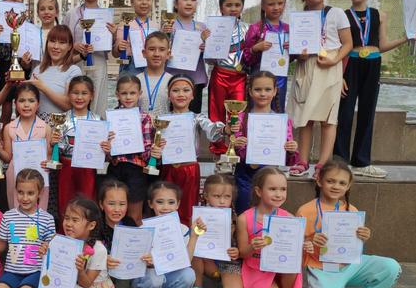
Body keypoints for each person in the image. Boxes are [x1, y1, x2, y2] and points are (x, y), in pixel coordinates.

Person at [297, 158, 401, 288]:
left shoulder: (352, 211)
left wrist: (363, 236)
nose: (336, 186)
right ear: (319, 180)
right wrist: (309, 241)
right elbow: (295, 246)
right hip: (322, 269)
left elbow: (353, 245)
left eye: (342, 183)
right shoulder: (305, 211)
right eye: (330, 181)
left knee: (391, 267)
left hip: (349, 265)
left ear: (348, 185)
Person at [334, 0, 416, 178]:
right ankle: (339, 161)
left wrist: (407, 38)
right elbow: (338, 47)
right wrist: (339, 76)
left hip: (372, 64)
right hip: (350, 64)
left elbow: (382, 45)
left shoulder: (380, 15)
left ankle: (361, 162)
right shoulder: (343, 16)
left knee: (367, 112)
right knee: (344, 113)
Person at [289, 0, 353, 179]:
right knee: (305, 117)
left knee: (328, 119)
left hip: (329, 65)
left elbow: (348, 44)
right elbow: (295, 50)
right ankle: (302, 160)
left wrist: (335, 61)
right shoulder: (300, 18)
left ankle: (323, 163)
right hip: (307, 65)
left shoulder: (336, 13)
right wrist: (299, 54)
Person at [236, 167, 302, 288]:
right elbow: (242, 253)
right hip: (256, 269)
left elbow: (293, 250)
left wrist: (304, 245)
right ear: (258, 191)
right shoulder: (245, 218)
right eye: (272, 189)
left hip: (280, 268)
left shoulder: (289, 218)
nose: (279, 194)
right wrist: (252, 246)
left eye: (283, 189)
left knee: (293, 264)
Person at [43, 198, 114, 288]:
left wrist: (80, 271)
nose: (68, 223)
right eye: (67, 218)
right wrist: (46, 253)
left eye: (75, 220)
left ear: (91, 225)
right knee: (46, 285)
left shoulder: (98, 250)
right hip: (73, 285)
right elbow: (53, 268)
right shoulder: (62, 241)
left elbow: (86, 284)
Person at [160, 75, 228, 225]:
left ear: (192, 95)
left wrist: (224, 129)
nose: (181, 94)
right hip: (168, 168)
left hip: (189, 169)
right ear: (169, 95)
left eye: (186, 90)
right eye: (175, 90)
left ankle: (187, 235)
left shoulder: (197, 118)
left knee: (188, 208)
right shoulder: (162, 120)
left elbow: (211, 129)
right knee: (165, 205)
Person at [231, 72, 299, 215]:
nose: (263, 94)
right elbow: (234, 152)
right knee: (245, 215)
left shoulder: (282, 121)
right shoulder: (240, 118)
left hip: (270, 176)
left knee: (267, 215)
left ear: (275, 91)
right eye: (258, 89)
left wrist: (291, 150)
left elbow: (288, 160)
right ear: (250, 91)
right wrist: (237, 145)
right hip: (245, 176)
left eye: (268, 89)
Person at [0, 169, 55, 288]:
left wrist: (48, 248)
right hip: (12, 271)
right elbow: (0, 245)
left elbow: (52, 248)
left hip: (35, 272)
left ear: (40, 193)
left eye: (30, 193)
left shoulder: (47, 219)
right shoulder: (8, 216)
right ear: (15, 191)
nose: (25, 198)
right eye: (20, 192)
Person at [134, 182, 200, 288]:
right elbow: (136, 265)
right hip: (147, 278)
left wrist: (194, 236)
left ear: (178, 204)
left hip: (168, 276)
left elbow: (186, 261)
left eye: (171, 202)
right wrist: (149, 262)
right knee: (156, 277)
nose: (166, 207)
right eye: (160, 202)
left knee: (189, 275)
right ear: (150, 204)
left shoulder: (183, 229)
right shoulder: (143, 230)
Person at [104, 75, 158, 225]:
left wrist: (152, 150)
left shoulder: (145, 118)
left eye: (132, 93)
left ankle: (134, 238)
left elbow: (147, 152)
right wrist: (107, 149)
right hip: (115, 168)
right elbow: (106, 154)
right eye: (124, 93)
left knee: (134, 215)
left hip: (136, 170)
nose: (128, 97)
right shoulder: (110, 117)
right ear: (117, 94)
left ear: (139, 94)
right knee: (113, 212)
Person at [185, 175, 244, 288]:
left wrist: (237, 251)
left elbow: (242, 247)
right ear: (206, 195)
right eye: (217, 196)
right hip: (205, 261)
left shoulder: (236, 219)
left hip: (226, 264)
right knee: (196, 253)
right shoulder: (197, 217)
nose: (222, 201)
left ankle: (223, 283)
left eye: (227, 197)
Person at [64, 0, 115, 116]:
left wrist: (113, 35)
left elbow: (111, 49)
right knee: (77, 98)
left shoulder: (106, 15)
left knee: (97, 100)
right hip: (78, 62)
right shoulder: (72, 14)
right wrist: (74, 45)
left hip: (98, 62)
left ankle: (96, 127)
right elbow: (64, 40)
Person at [207, 0, 249, 157]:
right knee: (216, 112)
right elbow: (209, 60)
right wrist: (205, 45)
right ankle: (217, 149)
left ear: (242, 7)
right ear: (221, 7)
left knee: (237, 114)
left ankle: (236, 149)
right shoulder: (213, 28)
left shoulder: (247, 28)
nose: (233, 8)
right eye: (229, 5)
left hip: (239, 77)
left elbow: (251, 54)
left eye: (237, 5)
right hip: (220, 74)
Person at [0, 83, 53, 211]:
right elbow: (7, 158)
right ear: (15, 104)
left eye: (31, 101)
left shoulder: (46, 128)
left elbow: (49, 156)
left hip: (40, 174)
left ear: (38, 104)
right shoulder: (9, 128)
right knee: (16, 210)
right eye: (22, 100)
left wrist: (49, 162)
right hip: (15, 174)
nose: (26, 105)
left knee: (39, 212)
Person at [55, 76, 101, 225]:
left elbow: (103, 154)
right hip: (66, 168)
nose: (79, 97)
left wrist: (106, 149)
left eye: (84, 93)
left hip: (88, 169)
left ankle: (87, 236)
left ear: (92, 95)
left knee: (87, 205)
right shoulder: (61, 119)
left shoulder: (98, 120)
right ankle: (65, 234)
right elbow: (56, 151)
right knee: (65, 204)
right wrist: (53, 143)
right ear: (69, 94)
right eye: (75, 93)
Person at [161, 0, 210, 114]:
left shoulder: (203, 27)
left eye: (193, 0)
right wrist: (165, 35)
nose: (189, 3)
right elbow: (160, 50)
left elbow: (211, 58)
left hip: (196, 80)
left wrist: (206, 48)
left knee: (193, 118)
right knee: (171, 118)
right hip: (172, 79)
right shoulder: (168, 25)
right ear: (176, 4)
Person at [242, 0, 290, 114]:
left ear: (285, 4)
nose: (276, 7)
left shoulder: (287, 28)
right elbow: (245, 58)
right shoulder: (255, 28)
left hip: (280, 78)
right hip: (259, 79)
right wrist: (255, 49)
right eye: (271, 4)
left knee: (278, 111)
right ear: (263, 6)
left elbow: (292, 58)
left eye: (280, 3)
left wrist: (292, 50)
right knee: (257, 112)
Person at [96, 179, 139, 288]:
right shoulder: (95, 225)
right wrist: (103, 259)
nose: (117, 209)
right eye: (111, 204)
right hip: (101, 271)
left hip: (123, 272)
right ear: (101, 204)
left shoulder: (130, 223)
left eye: (122, 204)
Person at [28, 25, 82, 121]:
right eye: (52, 41)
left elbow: (69, 105)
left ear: (69, 46)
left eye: (62, 43)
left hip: (62, 127)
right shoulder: (37, 70)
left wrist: (43, 88)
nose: (56, 47)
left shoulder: (74, 71)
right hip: (38, 127)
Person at [0, 0, 28, 124]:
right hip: (5, 68)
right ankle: (3, 133)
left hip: (23, 66)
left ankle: (23, 132)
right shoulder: (0, 23)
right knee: (6, 107)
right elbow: (0, 54)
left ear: (23, 0)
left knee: (23, 103)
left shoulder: (26, 22)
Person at [113, 0, 155, 76]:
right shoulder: (124, 23)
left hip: (150, 66)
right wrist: (119, 47)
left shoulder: (155, 26)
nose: (144, 2)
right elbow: (115, 53)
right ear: (132, 2)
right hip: (130, 67)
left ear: (152, 2)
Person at [136, 31, 173, 117]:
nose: (156, 54)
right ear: (144, 53)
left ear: (168, 54)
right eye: (152, 49)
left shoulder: (172, 81)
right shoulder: (136, 80)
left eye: (162, 50)